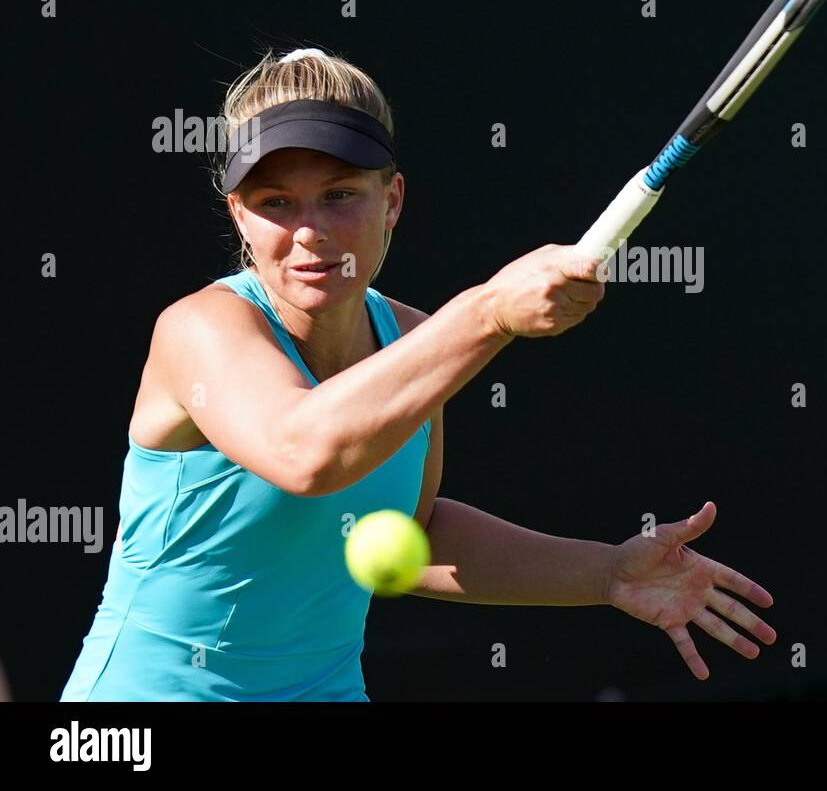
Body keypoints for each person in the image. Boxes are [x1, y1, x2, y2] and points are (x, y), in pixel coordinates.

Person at [61, 47, 776, 700]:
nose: (310, 230)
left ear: (392, 201)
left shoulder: (411, 341)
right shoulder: (200, 330)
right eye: (276, 202)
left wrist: (607, 573)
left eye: (341, 194)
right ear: (239, 218)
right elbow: (305, 452)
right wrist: (489, 311)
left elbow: (414, 530)